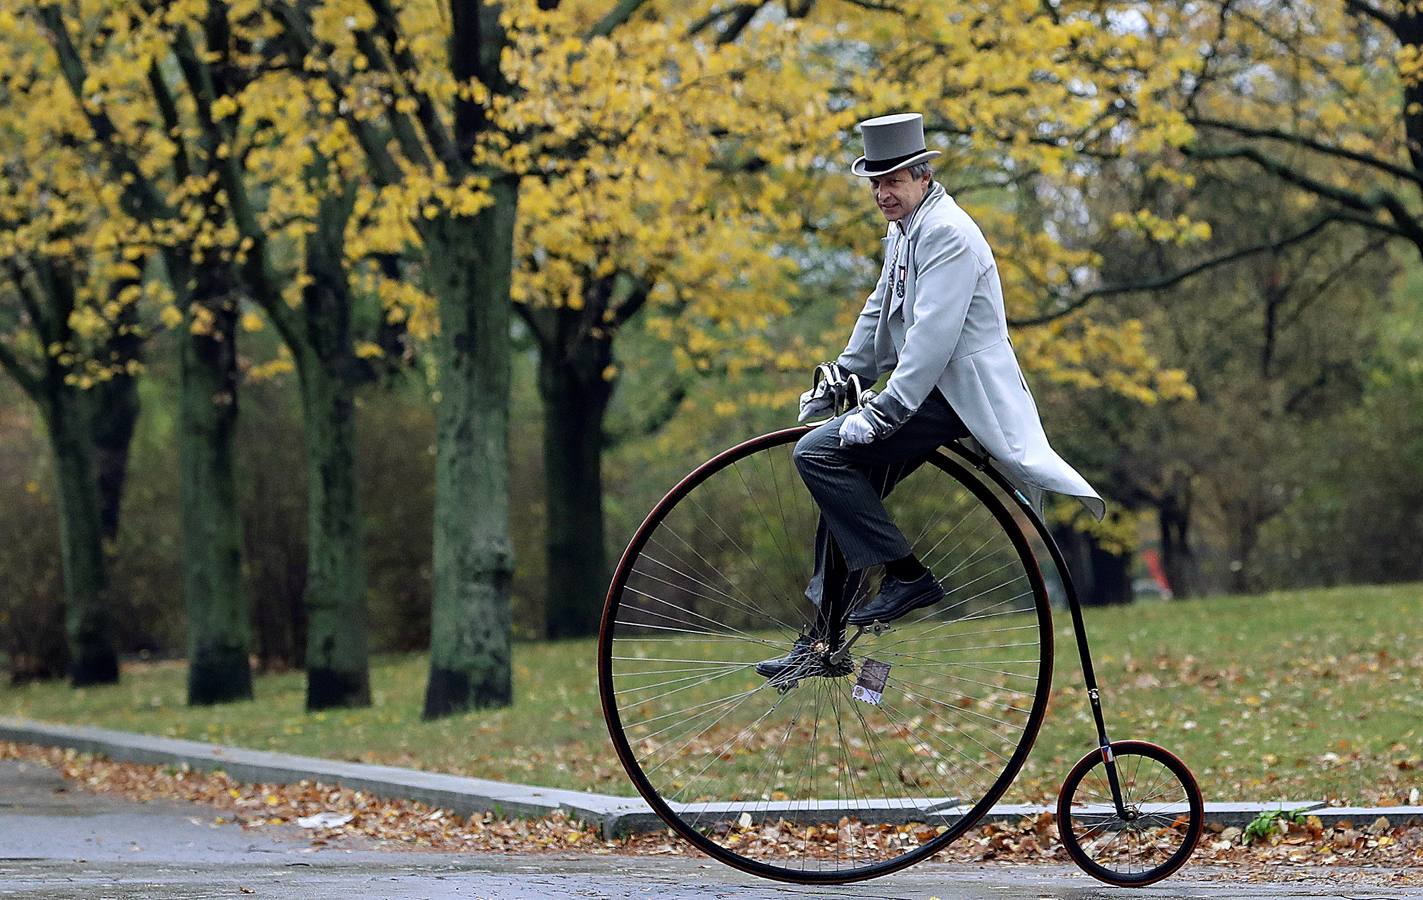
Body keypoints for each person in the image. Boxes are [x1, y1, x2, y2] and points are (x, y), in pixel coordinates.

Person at [757, 112, 1105, 680]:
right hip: (927, 388)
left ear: (922, 178)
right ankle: (823, 638)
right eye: (875, 182)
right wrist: (844, 374)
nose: (882, 193)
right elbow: (880, 308)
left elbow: (931, 340)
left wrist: (883, 410)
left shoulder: (948, 233)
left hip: (956, 396)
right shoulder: (908, 229)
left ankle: (908, 576)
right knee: (844, 488)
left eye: (892, 180)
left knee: (818, 455)